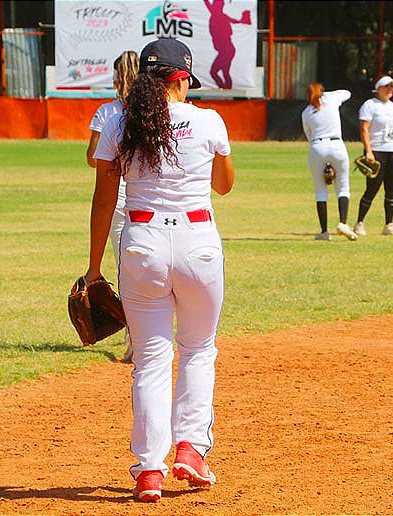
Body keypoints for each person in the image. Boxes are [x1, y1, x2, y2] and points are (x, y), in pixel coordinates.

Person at [88, 38, 235, 502]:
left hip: (142, 244)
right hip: (198, 243)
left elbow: (104, 200)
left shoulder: (118, 121)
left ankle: (150, 469)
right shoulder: (208, 120)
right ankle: (191, 449)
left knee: (150, 360)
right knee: (198, 349)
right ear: (181, 78)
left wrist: (93, 269)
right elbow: (224, 186)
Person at [86, 50, 139, 363]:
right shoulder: (151, 110)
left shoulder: (107, 112)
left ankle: (136, 340)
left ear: (118, 77)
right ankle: (146, 335)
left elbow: (92, 158)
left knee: (125, 270)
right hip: (146, 197)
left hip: (117, 199)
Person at [354, 75, 393, 236]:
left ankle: (389, 225)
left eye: (392, 86)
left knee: (391, 190)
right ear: (378, 88)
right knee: (372, 189)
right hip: (377, 151)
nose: (390, 89)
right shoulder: (370, 105)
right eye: (387, 86)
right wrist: (368, 151)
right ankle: (359, 223)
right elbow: (364, 129)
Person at [301, 83, 357, 241]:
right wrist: (327, 94)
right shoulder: (332, 99)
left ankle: (324, 232)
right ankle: (343, 223)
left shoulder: (306, 112)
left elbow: (308, 135)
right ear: (323, 92)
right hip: (337, 145)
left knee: (320, 191)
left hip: (317, 146)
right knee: (343, 187)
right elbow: (347, 92)